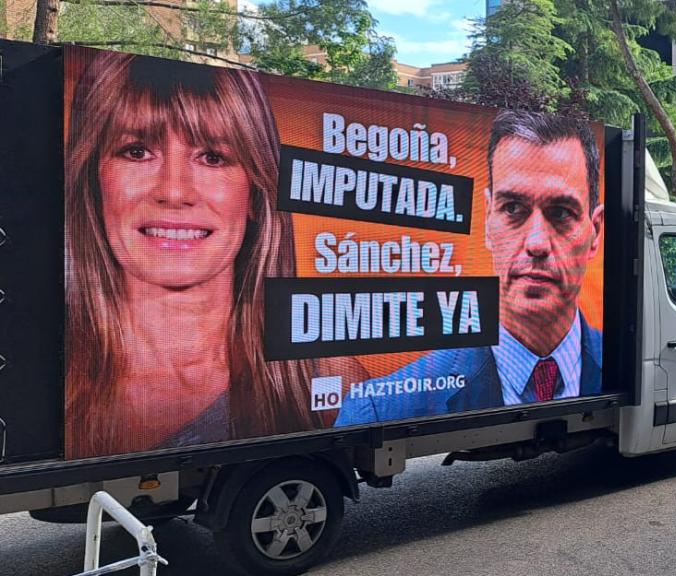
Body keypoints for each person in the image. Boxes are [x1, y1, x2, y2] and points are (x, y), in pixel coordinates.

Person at [65, 51, 367, 459]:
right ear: (94, 180)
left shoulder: (325, 375)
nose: (174, 191)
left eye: (212, 157)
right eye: (137, 151)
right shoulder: (48, 377)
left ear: (256, 193)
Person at [336, 110, 605, 426]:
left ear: (595, 232)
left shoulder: (619, 362)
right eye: (513, 209)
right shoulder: (379, 409)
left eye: (560, 212)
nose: (536, 243)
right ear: (488, 221)